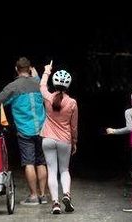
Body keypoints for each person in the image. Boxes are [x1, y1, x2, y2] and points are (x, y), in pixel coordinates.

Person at [0, 57, 48, 205]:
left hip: (25, 131)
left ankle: (33, 196)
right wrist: (37, 76)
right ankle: (43, 195)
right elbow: (43, 90)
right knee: (41, 162)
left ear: (16, 69)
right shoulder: (39, 83)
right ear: (29, 69)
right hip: (42, 129)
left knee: (29, 162)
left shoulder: (12, 87)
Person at [39, 62, 78, 214]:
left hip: (47, 139)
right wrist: (74, 142)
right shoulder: (72, 103)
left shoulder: (48, 98)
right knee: (64, 170)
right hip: (64, 140)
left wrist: (47, 71)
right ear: (68, 86)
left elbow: (42, 86)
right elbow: (74, 126)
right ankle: (66, 195)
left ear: (54, 84)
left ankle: (55, 203)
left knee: (51, 170)